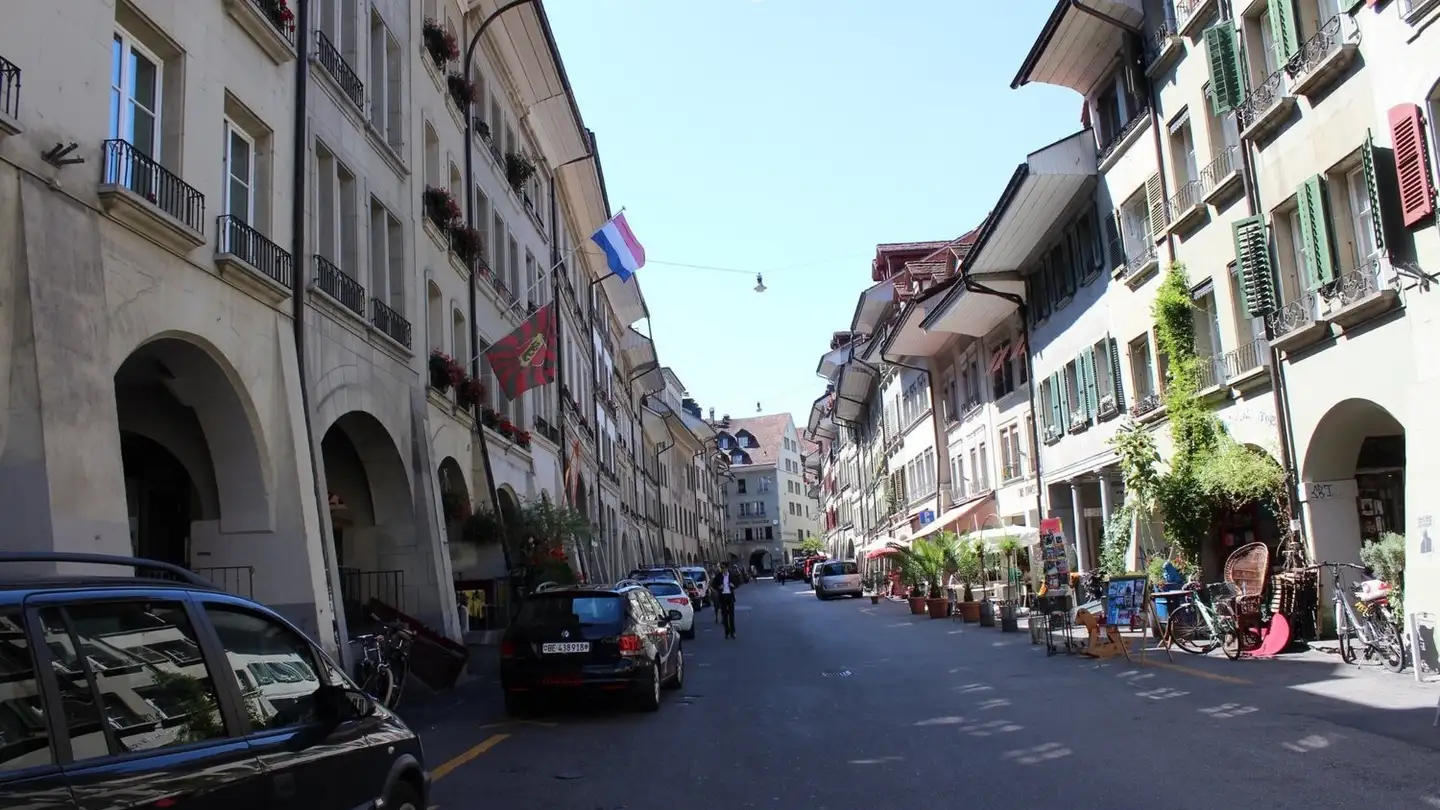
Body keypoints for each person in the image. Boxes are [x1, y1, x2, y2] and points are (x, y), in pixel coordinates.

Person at [712, 566, 737, 638]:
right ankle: (727, 632)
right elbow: (714, 585)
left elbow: (737, 583)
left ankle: (733, 632)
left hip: (730, 596)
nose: (724, 570)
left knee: (731, 615)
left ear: (727, 569)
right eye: (722, 568)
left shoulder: (731, 575)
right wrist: (719, 587)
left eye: (725, 568)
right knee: (725, 615)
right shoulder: (718, 576)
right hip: (722, 597)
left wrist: (733, 585)